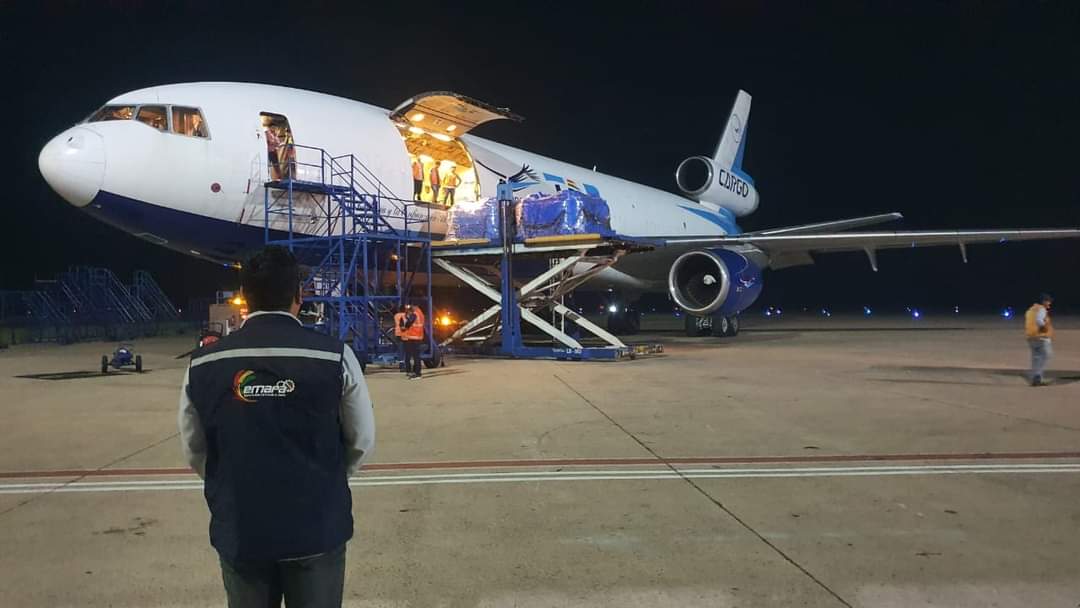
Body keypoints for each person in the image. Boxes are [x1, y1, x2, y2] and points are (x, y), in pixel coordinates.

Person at [178, 245, 375, 608]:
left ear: (245, 295)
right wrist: (325, 479)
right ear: (298, 295)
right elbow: (361, 439)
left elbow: (195, 448)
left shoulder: (203, 364)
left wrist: (233, 484)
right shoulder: (335, 356)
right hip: (316, 526)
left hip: (242, 528)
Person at [1024, 293, 1054, 386]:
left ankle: (1034, 377)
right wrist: (1044, 327)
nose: (1050, 303)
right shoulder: (1041, 309)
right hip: (1041, 337)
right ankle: (1038, 375)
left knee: (1035, 358)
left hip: (1031, 338)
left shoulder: (1030, 310)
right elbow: (1039, 320)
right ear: (1044, 301)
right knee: (1046, 355)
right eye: (1048, 301)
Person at [399, 303, 425, 378]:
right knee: (416, 356)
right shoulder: (421, 314)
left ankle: (417, 374)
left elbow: (409, 322)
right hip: (418, 337)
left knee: (415, 356)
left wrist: (405, 327)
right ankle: (416, 372)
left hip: (413, 337)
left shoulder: (415, 314)